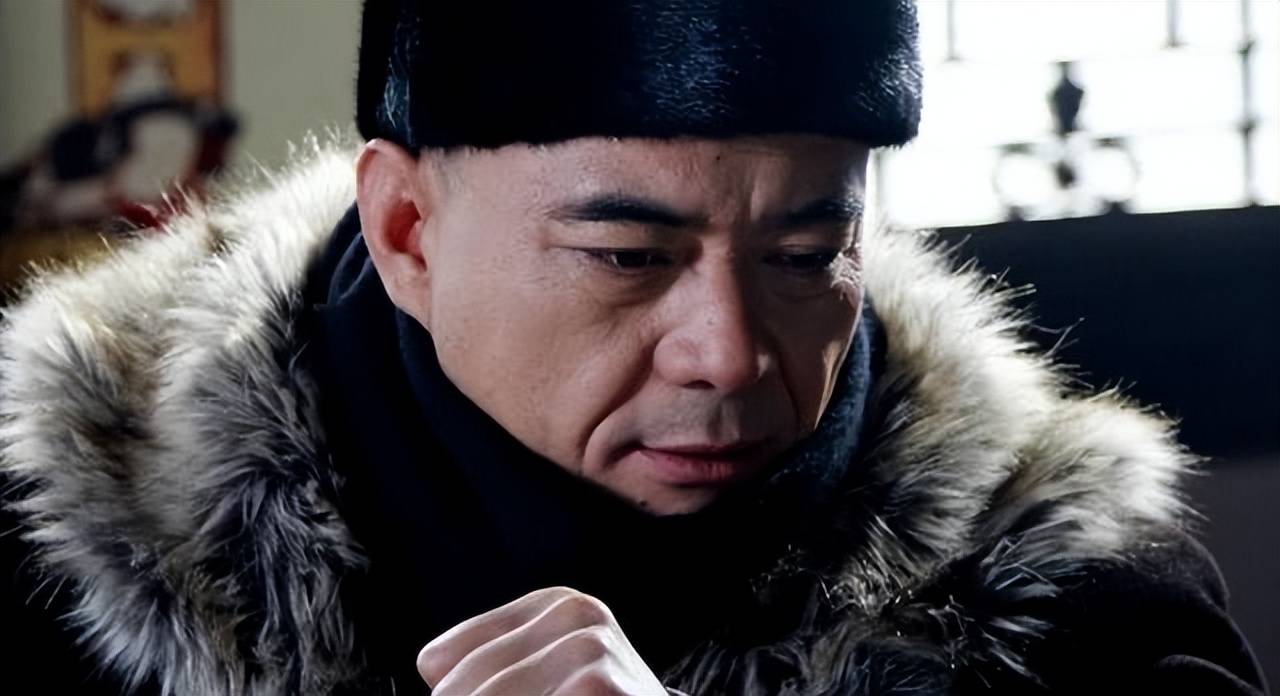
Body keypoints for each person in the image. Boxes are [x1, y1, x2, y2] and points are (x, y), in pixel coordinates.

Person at [0, 1, 1267, 694]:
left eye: (802, 254)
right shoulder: (57, 543)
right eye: (627, 257)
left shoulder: (1074, 600)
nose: (728, 356)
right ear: (406, 231)